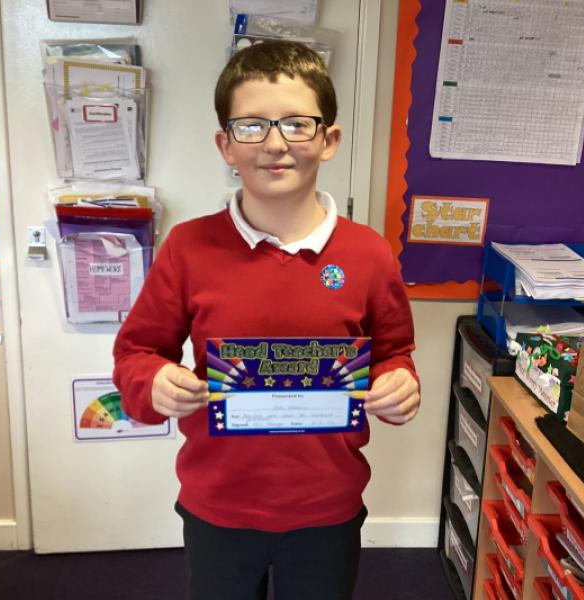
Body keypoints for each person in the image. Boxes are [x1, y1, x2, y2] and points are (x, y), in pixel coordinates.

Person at [113, 40, 420, 600]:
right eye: (252, 126)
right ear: (226, 146)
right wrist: (153, 382)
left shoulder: (370, 254)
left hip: (326, 507)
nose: (276, 144)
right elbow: (136, 353)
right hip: (218, 506)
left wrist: (399, 383)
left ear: (329, 140)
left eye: (297, 124)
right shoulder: (188, 248)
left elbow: (393, 353)